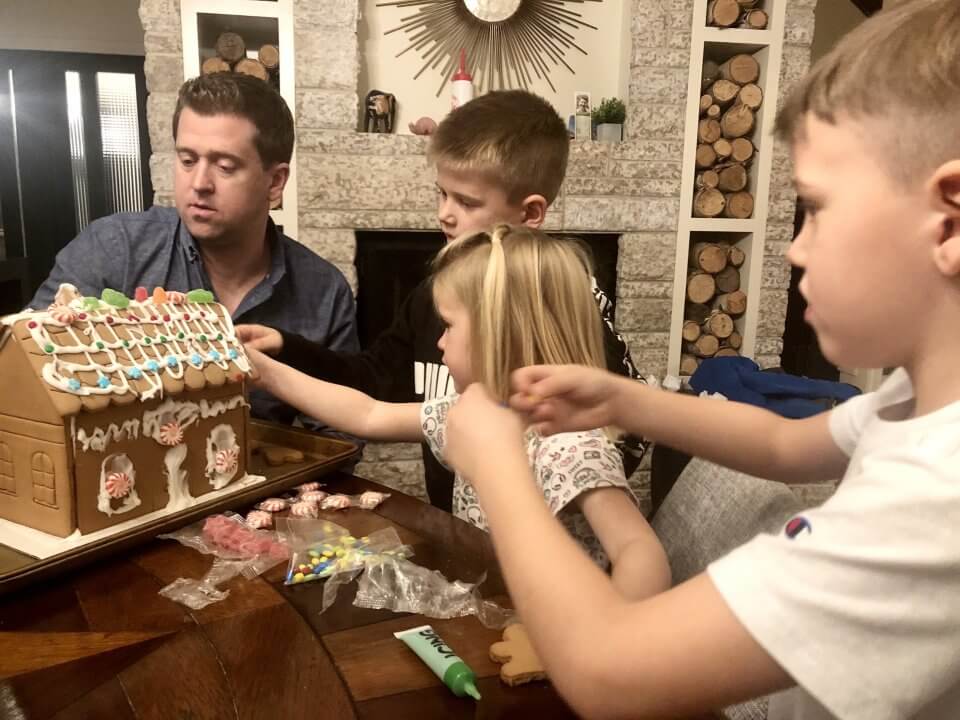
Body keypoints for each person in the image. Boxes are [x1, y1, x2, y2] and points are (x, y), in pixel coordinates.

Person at [441, 1, 960, 717]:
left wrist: (496, 462)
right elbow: (781, 442)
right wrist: (623, 400)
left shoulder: (940, 494)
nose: (792, 247)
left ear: (950, 219)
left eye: (816, 208)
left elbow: (607, 675)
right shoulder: (915, 404)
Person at [236, 89, 646, 511]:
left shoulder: (569, 314)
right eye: (442, 194)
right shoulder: (439, 311)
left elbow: (624, 438)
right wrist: (283, 352)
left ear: (530, 213)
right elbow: (371, 395)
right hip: (465, 545)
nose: (445, 214)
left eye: (466, 201)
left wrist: (562, 488)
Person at [247, 225, 670, 599]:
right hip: (487, 602)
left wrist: (606, 638)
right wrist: (267, 373)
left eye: (449, 325)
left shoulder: (571, 446)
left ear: (500, 337)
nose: (439, 342)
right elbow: (368, 414)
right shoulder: (469, 415)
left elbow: (641, 552)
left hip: (559, 642)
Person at [28, 72, 358, 425]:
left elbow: (337, 437)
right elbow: (33, 371)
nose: (199, 184)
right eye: (187, 160)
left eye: (225, 166)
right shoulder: (113, 250)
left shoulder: (323, 292)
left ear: (275, 183)